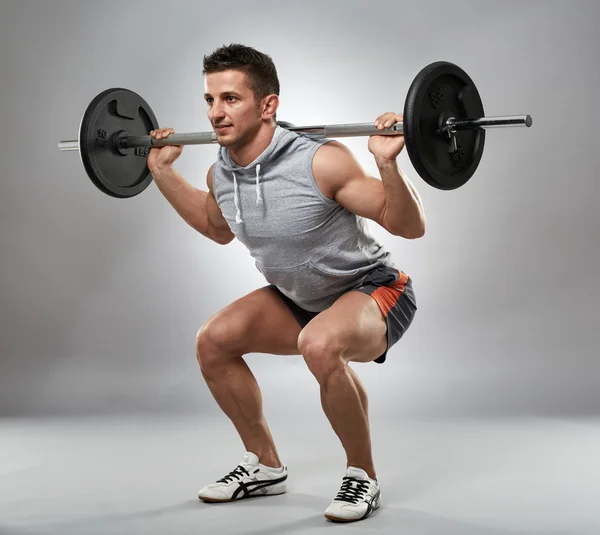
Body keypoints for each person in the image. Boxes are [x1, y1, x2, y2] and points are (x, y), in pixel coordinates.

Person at [147, 43, 425, 523]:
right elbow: (216, 227)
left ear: (268, 105)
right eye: (210, 100)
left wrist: (386, 164)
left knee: (319, 344)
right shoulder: (223, 173)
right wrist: (160, 171)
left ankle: (363, 476)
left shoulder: (321, 161)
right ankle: (266, 467)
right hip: (302, 298)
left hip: (375, 290)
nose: (216, 113)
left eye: (231, 99)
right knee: (213, 341)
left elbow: (407, 225)